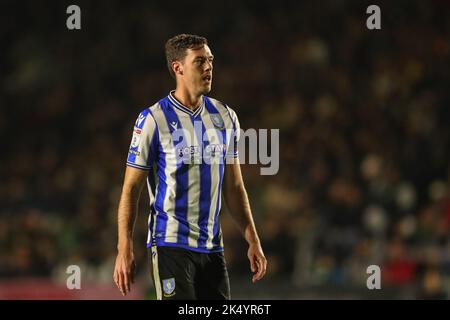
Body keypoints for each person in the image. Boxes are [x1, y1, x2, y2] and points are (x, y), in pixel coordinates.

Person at [113, 34, 266, 300]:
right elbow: (131, 189)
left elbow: (234, 186)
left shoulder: (226, 117)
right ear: (178, 68)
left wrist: (252, 237)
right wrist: (124, 247)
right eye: (199, 61)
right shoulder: (153, 119)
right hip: (170, 244)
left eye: (210, 60)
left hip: (212, 248)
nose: (208, 67)